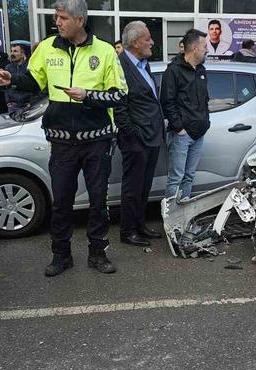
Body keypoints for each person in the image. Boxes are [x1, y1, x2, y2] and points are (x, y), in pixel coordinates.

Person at [0, 0, 127, 277]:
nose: (58, 22)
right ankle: (61, 255)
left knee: (98, 201)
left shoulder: (104, 51)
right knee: (62, 202)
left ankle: (98, 253)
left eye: (63, 17)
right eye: (56, 17)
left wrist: (88, 96)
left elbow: (120, 94)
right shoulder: (47, 47)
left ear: (80, 20)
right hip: (62, 141)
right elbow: (34, 82)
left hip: (97, 141)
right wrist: (13, 80)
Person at [113, 21, 165, 248]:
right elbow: (119, 106)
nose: (152, 42)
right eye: (147, 39)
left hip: (152, 136)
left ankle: (140, 224)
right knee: (132, 187)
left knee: (144, 186)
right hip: (136, 139)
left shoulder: (144, 64)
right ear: (135, 43)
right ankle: (128, 231)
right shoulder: (121, 65)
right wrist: (132, 134)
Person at [161, 28, 209, 200]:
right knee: (176, 179)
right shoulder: (173, 71)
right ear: (194, 48)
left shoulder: (201, 70)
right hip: (182, 134)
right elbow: (167, 102)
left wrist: (206, 122)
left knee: (188, 178)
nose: (207, 49)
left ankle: (184, 220)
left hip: (198, 133)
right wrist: (179, 128)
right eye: (204, 46)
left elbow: (204, 100)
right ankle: (172, 222)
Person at [2, 43, 36, 113]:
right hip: (13, 106)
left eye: (15, 51)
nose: (12, 53)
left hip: (27, 105)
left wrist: (31, 102)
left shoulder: (29, 66)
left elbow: (33, 84)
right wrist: (8, 101)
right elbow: (6, 87)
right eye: (11, 51)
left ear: (22, 53)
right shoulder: (8, 67)